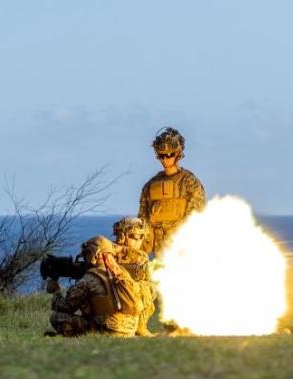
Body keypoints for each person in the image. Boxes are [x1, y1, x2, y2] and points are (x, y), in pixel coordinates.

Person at [46, 236, 139, 337]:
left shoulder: (90, 278)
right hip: (129, 331)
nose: (85, 259)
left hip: (107, 331)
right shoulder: (123, 274)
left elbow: (67, 306)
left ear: (95, 254)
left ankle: (73, 338)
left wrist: (56, 291)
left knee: (57, 317)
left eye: (86, 254)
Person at [138, 127, 207, 255]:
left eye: (169, 155)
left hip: (182, 249)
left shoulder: (190, 183)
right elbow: (144, 222)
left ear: (178, 154)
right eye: (161, 156)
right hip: (159, 251)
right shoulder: (150, 186)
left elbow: (196, 218)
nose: (165, 159)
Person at [112, 217, 157, 337]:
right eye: (135, 237)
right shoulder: (109, 251)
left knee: (149, 287)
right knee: (146, 288)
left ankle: (138, 326)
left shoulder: (140, 256)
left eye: (142, 237)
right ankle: (140, 328)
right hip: (112, 297)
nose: (139, 241)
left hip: (127, 302)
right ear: (122, 236)